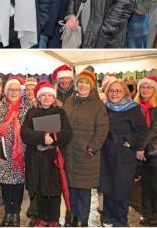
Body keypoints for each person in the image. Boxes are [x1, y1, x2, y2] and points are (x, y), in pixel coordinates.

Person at [22, 81, 73, 227]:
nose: (46, 98)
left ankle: (54, 219)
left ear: (54, 97)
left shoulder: (61, 113)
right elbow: (25, 134)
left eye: (49, 95)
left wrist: (53, 138)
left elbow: (67, 134)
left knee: (55, 191)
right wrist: (42, 137)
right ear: (38, 98)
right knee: (40, 190)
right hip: (36, 159)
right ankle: (42, 217)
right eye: (43, 95)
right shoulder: (31, 113)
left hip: (55, 159)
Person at [62, 69, 109, 226]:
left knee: (83, 189)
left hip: (86, 153)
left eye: (86, 83)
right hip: (69, 152)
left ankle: (83, 219)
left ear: (92, 86)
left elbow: (102, 129)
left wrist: (92, 148)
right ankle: (73, 216)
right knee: (72, 187)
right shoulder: (69, 101)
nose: (82, 85)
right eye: (80, 82)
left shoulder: (97, 105)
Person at [99, 79, 148, 227]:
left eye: (118, 91)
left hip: (124, 154)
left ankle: (120, 220)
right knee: (107, 185)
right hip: (106, 152)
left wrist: (130, 141)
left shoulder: (133, 108)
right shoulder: (104, 108)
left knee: (121, 187)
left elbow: (142, 131)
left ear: (125, 93)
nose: (114, 94)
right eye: (111, 91)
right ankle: (107, 216)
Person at [0, 77, 31, 226]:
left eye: (16, 90)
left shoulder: (27, 108)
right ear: (6, 92)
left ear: (21, 92)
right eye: (10, 90)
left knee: (19, 186)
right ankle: (8, 212)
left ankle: (16, 213)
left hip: (22, 154)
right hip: (3, 155)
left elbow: (32, 131)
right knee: (6, 185)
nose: (13, 92)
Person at [134, 76, 157, 225]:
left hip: (156, 150)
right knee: (145, 183)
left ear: (154, 89)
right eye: (143, 87)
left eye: (149, 87)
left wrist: (140, 147)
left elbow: (156, 129)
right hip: (141, 150)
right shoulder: (136, 106)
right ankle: (146, 212)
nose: (145, 90)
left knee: (155, 184)